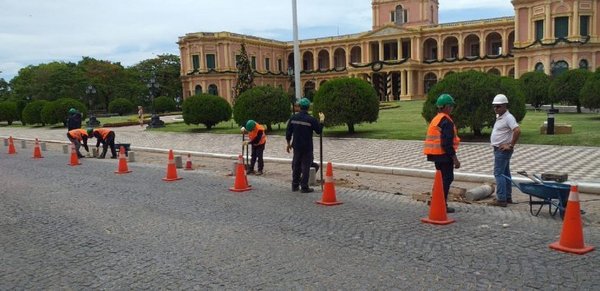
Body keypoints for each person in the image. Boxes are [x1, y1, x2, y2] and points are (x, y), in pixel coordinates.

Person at [423, 94, 461, 213]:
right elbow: (446, 143)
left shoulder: (436, 118)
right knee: (447, 179)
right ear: (447, 107)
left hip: (435, 155)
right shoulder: (446, 121)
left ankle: (435, 200)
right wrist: (455, 159)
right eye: (451, 106)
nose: (452, 109)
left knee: (440, 179)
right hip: (443, 155)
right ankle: (441, 204)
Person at [286, 98, 324, 193]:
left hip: (296, 146)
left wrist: (288, 143)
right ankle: (304, 187)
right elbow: (319, 131)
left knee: (296, 165)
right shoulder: (311, 119)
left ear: (299, 107)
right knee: (306, 166)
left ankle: (294, 186)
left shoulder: (293, 118)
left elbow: (288, 132)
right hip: (307, 146)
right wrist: (322, 121)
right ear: (308, 108)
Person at [490, 94, 521, 207]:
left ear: (504, 106)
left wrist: (511, 145)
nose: (496, 109)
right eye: (494, 106)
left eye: (498, 106)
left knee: (498, 173)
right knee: (505, 173)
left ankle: (501, 199)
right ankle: (507, 197)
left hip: (502, 150)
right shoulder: (500, 116)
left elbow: (517, 130)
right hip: (499, 149)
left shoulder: (508, 117)